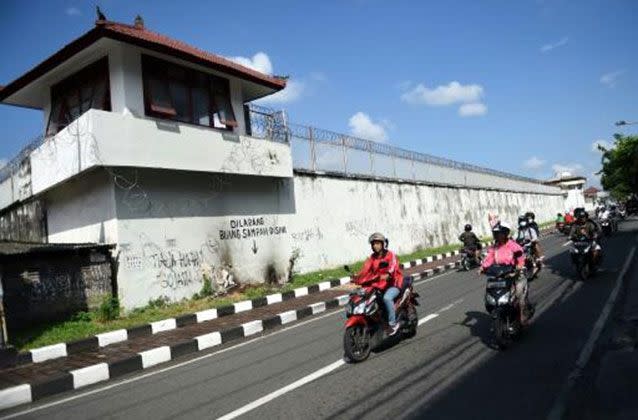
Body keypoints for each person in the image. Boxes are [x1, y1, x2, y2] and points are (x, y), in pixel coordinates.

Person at [480, 222, 531, 324]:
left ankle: (522, 316)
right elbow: (489, 258)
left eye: (499, 233)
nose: (497, 235)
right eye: (496, 233)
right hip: (500, 275)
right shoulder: (494, 247)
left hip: (514, 273)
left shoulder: (513, 245)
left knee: (518, 293)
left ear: (505, 233)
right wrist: (482, 267)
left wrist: (519, 266)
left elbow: (520, 257)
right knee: (491, 293)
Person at [355, 232, 404, 335]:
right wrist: (357, 276)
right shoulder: (372, 258)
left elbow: (393, 267)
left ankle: (392, 323)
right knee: (368, 298)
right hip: (379, 285)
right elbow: (365, 269)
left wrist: (388, 274)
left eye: (377, 243)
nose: (375, 246)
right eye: (373, 244)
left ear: (383, 244)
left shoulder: (390, 255)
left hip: (393, 283)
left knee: (387, 298)